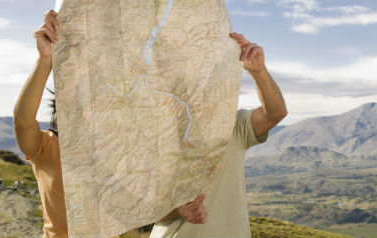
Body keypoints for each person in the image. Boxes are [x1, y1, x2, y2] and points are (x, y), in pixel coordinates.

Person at [15, 10, 285, 238]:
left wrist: (179, 210)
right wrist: (45, 61)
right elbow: (23, 121)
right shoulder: (47, 149)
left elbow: (143, 208)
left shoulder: (124, 152)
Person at [148, 32, 287, 237]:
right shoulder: (150, 132)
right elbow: (140, 209)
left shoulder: (232, 123)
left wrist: (259, 71)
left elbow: (275, 113)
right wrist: (177, 210)